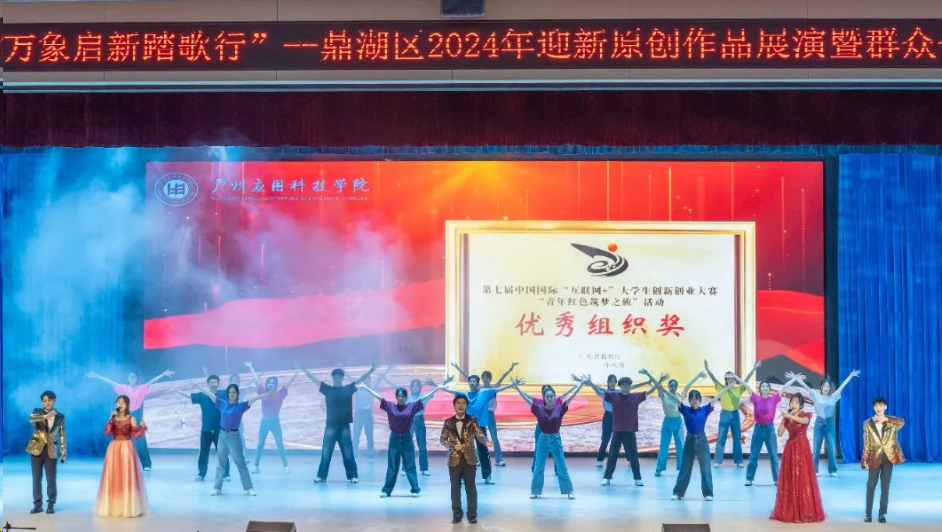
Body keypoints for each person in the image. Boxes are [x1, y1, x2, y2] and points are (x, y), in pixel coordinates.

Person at [358, 377, 452, 497]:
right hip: (394, 440)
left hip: (406, 440)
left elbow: (424, 397)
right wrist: (366, 387)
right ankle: (386, 490)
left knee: (410, 466)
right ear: (396, 397)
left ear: (406, 397)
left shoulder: (411, 407)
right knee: (392, 467)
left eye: (403, 396)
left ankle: (415, 489)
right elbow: (378, 397)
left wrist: (437, 387)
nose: (401, 398)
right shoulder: (391, 406)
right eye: (399, 396)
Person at [300, 364, 379, 484]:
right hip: (330, 426)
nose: (337, 378)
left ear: (342, 378)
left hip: (344, 426)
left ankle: (353, 476)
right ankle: (321, 476)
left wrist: (371, 370)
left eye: (339, 377)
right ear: (333, 378)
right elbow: (314, 380)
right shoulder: (328, 389)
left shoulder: (347, 389)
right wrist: (303, 369)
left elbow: (360, 380)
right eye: (335, 377)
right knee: (326, 452)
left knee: (348, 452)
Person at [510, 376, 586, 499]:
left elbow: (571, 397)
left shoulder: (559, 408)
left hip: (556, 439)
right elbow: (526, 399)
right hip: (543, 439)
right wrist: (517, 387)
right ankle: (535, 491)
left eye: (551, 396)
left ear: (554, 397)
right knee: (539, 466)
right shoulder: (538, 409)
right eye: (547, 397)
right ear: (544, 398)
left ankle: (569, 490)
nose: (550, 398)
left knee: (561, 466)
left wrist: (581, 384)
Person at [193, 382, 275, 496]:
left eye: (234, 392)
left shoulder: (241, 406)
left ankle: (249, 488)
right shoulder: (222, 404)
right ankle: (217, 488)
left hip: (234, 436)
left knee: (240, 462)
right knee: (221, 463)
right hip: (222, 435)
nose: (232, 394)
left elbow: (255, 398)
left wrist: (269, 393)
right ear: (228, 394)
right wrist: (200, 388)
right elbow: (210, 395)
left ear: (237, 394)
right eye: (230, 392)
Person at [86, 368, 175, 471]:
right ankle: (126, 463)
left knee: (140, 439)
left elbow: (152, 381)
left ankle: (146, 464)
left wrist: (163, 374)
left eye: (134, 377)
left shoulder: (141, 388)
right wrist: (98, 376)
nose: (132, 379)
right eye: (130, 377)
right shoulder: (124, 388)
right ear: (128, 378)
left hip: (136, 415)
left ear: (136, 379)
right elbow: (110, 382)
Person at [587, 369, 664, 487]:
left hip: (629, 431)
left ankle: (637, 478)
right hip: (617, 431)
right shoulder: (614, 396)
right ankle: (607, 478)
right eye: (623, 385)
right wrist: (590, 383)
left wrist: (658, 381)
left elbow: (650, 391)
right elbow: (600, 394)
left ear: (630, 386)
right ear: (620, 386)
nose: (626, 387)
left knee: (633, 456)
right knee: (612, 456)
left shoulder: (635, 397)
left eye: (628, 385)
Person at [437, 373, 515, 484]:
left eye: (474, 381)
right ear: (468, 383)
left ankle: (487, 476)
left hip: (480, 427)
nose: (472, 383)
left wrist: (512, 385)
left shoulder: (484, 392)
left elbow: (497, 390)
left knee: (483, 452)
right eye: (470, 381)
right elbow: (452, 392)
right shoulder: (464, 394)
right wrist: (440, 386)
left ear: (478, 384)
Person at [672, 373, 738, 501]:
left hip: (702, 441)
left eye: (696, 398)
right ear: (689, 400)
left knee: (706, 468)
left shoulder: (705, 409)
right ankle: (678, 493)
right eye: (692, 398)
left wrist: (727, 387)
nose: (694, 400)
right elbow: (680, 394)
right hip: (689, 441)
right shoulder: (685, 409)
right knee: (685, 468)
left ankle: (708, 493)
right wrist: (696, 377)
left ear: (700, 400)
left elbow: (717, 396)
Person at [735, 369, 803, 487]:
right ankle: (749, 478)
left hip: (769, 430)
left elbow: (784, 387)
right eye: (763, 386)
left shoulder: (774, 398)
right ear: (760, 389)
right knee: (754, 455)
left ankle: (777, 479)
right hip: (758, 429)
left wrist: (794, 379)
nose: (765, 387)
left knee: (773, 456)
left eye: (767, 386)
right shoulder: (755, 398)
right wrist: (736, 377)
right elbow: (745, 385)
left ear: (769, 389)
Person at [788, 369, 861, 477]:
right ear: (821, 387)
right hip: (819, 423)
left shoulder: (833, 397)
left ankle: (832, 470)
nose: (826, 388)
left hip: (829, 423)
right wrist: (796, 379)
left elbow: (842, 387)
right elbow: (806, 387)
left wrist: (850, 376)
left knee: (831, 448)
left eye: (828, 386)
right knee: (816, 448)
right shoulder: (816, 396)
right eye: (824, 386)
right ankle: (815, 470)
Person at [770, 393, 825, 522]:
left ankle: (805, 510)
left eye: (795, 402)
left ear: (800, 405)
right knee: (790, 478)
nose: (793, 404)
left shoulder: (805, 414)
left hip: (801, 448)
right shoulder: (787, 417)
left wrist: (790, 416)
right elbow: (779, 433)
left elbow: (804, 421)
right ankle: (790, 509)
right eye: (791, 402)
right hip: (790, 449)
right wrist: (783, 420)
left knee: (802, 478)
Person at [451, 361, 518, 467]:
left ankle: (499, 459)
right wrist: (458, 369)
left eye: (487, 377)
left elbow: (501, 378)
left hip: (490, 414)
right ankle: (477, 459)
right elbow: (469, 378)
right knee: (478, 438)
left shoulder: (493, 388)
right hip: (480, 416)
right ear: (482, 379)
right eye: (484, 377)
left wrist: (510, 369)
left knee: (494, 437)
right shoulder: (480, 388)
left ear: (490, 379)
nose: (485, 379)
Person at [94, 395, 149, 518]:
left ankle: (128, 506)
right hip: (114, 448)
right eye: (118, 402)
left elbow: (136, 435)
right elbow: (107, 432)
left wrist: (142, 427)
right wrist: (110, 419)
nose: (120, 404)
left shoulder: (131, 418)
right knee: (113, 476)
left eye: (123, 402)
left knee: (126, 476)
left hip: (126, 447)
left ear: (127, 405)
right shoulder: (113, 418)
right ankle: (113, 506)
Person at [440, 395, 492, 524]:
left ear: (467, 406)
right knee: (455, 489)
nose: (461, 405)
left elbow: (479, 434)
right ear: (454, 405)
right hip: (454, 459)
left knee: (471, 488)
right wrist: (453, 446)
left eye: (463, 403)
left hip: (470, 459)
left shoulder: (472, 420)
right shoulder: (448, 422)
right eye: (458, 403)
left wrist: (486, 441)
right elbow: (442, 439)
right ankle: (457, 515)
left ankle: (472, 515)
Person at [172, 375, 231, 481]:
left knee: (222, 452)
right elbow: (189, 396)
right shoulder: (202, 395)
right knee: (204, 452)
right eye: (211, 382)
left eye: (215, 382)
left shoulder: (223, 394)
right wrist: (177, 391)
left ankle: (226, 474)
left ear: (218, 383)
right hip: (206, 429)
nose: (213, 384)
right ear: (208, 384)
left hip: (219, 429)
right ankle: (201, 474)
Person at [703, 359, 761, 467]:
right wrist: (707, 369)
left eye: (731, 378)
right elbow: (713, 378)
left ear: (734, 379)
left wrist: (753, 369)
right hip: (725, 414)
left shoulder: (738, 389)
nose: (730, 380)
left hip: (735, 415)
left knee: (737, 438)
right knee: (721, 438)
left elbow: (746, 380)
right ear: (726, 379)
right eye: (728, 378)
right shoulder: (721, 387)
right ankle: (717, 461)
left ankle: (739, 461)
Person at [244, 363, 300, 474]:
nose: (270, 384)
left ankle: (286, 466)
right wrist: (251, 367)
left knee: (280, 444)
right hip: (264, 421)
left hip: (275, 422)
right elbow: (257, 380)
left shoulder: (280, 394)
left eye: (273, 383)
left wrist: (296, 373)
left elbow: (288, 384)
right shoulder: (262, 392)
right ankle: (256, 466)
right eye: (269, 382)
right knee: (260, 444)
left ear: (276, 385)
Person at [861, 397, 905, 523]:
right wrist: (864, 461)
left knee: (885, 486)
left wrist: (886, 419)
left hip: (888, 457)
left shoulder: (892, 421)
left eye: (881, 405)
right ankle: (868, 514)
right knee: (870, 485)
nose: (878, 408)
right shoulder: (867, 423)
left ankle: (882, 514)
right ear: (873, 407)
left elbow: (902, 422)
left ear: (885, 407)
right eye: (876, 405)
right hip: (874, 457)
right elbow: (866, 444)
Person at [27, 390, 66, 514]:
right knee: (36, 478)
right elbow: (31, 418)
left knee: (51, 479)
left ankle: (51, 504)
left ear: (54, 400)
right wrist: (45, 417)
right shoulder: (37, 411)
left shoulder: (60, 416)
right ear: (42, 402)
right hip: (36, 449)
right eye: (44, 400)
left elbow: (62, 435)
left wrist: (63, 452)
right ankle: (37, 504)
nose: (47, 402)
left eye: (49, 400)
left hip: (51, 450)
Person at [352, 365, 393, 462]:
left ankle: (370, 456)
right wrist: (343, 369)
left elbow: (380, 378)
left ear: (369, 381)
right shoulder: (357, 389)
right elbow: (352, 380)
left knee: (369, 435)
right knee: (356, 435)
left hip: (367, 414)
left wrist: (388, 369)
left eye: (368, 380)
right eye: (364, 380)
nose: (366, 381)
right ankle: (354, 454)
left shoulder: (372, 389)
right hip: (358, 413)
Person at [596, 374, 618, 467]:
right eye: (610, 381)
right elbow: (594, 387)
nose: (612, 383)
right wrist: (587, 381)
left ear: (616, 382)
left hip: (618, 417)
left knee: (622, 439)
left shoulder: (619, 392)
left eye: (614, 381)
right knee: (605, 439)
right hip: (608, 416)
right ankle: (600, 460)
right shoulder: (604, 391)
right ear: (608, 382)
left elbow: (631, 387)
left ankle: (630, 460)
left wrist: (646, 382)